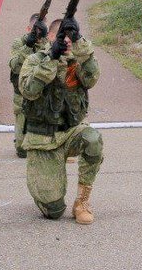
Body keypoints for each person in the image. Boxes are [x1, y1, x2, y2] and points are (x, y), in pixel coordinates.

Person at [18, 18, 102, 224]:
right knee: (54, 211)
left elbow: (92, 78)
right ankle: (45, 190)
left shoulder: (78, 61)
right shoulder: (34, 60)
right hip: (42, 139)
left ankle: (82, 202)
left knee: (92, 138)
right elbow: (28, 91)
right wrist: (51, 59)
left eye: (69, 38)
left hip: (70, 132)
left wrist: (80, 42)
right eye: (60, 37)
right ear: (50, 38)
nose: (65, 42)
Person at [9, 12, 52, 158]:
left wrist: (45, 42)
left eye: (42, 29)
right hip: (21, 94)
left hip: (43, 94)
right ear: (29, 28)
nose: (38, 33)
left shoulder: (49, 44)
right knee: (22, 150)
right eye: (35, 29)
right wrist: (28, 46)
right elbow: (14, 67)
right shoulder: (19, 43)